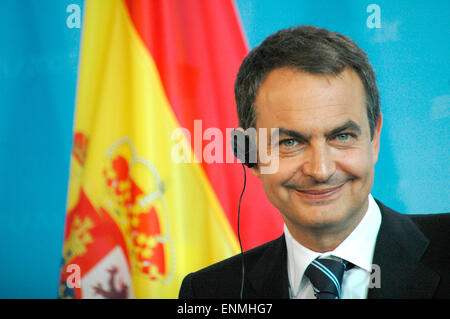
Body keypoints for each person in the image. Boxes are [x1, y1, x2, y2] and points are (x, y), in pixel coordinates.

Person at [178, 25, 450, 299]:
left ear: (374, 138)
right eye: (290, 142)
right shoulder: (207, 293)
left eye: (342, 136)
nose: (320, 170)